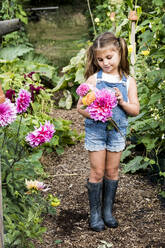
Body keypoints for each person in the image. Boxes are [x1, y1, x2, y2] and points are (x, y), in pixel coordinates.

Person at [77, 32, 139, 232]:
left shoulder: (128, 81)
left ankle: (107, 211)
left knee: (112, 171)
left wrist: (121, 102)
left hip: (116, 132)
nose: (105, 62)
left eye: (109, 58)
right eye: (100, 59)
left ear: (119, 53)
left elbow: (135, 110)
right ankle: (94, 214)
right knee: (97, 171)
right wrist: (94, 114)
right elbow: (80, 107)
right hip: (96, 131)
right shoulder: (94, 79)